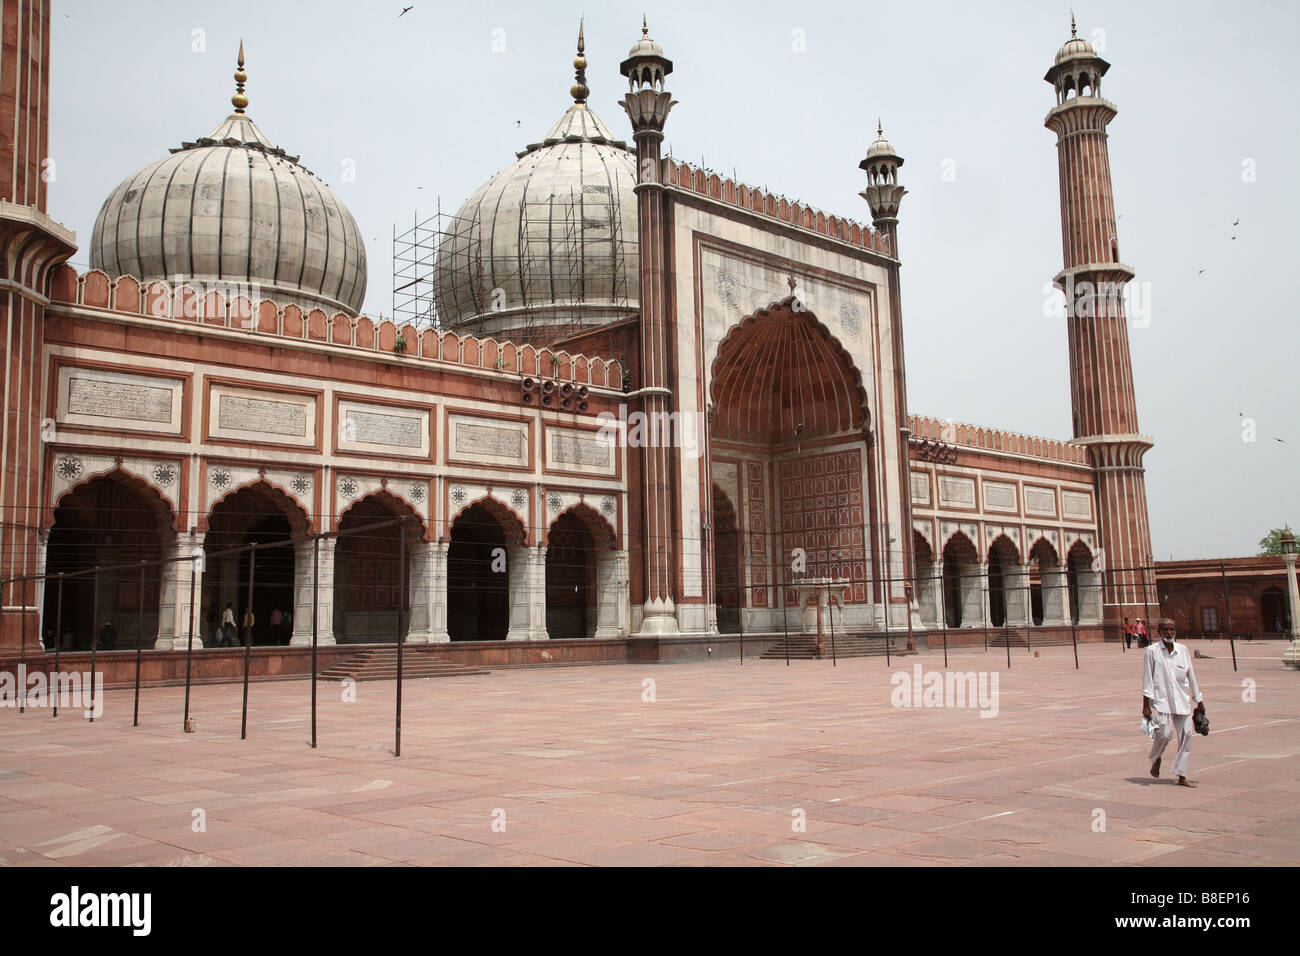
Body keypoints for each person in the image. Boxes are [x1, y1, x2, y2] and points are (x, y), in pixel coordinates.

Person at [1142, 617, 1205, 788]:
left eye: (1172, 630)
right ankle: (1156, 758)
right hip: (1162, 700)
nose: (1169, 633)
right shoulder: (1152, 652)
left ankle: (1181, 774)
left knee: (1187, 735)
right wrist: (1145, 705)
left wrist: (1198, 700)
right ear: (1159, 632)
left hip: (1181, 699)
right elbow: (1147, 679)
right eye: (1166, 630)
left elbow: (1191, 675)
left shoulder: (1182, 650)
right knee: (1165, 734)